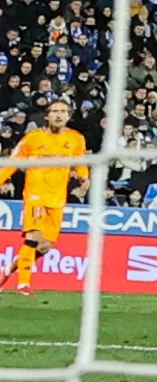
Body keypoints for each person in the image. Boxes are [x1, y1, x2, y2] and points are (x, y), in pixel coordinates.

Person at [0, 99, 88, 295]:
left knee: (45, 246)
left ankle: (6, 271)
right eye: (55, 111)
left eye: (63, 111)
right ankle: (23, 283)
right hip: (35, 195)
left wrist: (84, 177)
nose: (59, 115)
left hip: (57, 198)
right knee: (33, 237)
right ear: (47, 116)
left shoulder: (76, 139)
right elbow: (12, 163)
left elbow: (80, 161)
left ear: (69, 116)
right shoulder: (32, 138)